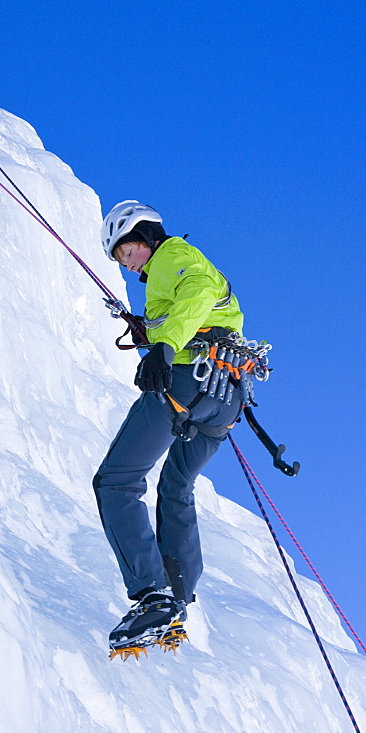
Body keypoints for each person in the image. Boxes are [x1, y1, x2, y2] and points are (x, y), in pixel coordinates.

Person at [94, 201, 245, 652]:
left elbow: (197, 290)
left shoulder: (171, 257)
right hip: (226, 397)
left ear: (143, 236)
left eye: (126, 252)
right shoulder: (170, 274)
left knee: (116, 482)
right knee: (177, 486)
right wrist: (149, 332)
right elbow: (193, 306)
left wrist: (163, 347)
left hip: (189, 380)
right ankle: (176, 599)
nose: (128, 263)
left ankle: (153, 596)